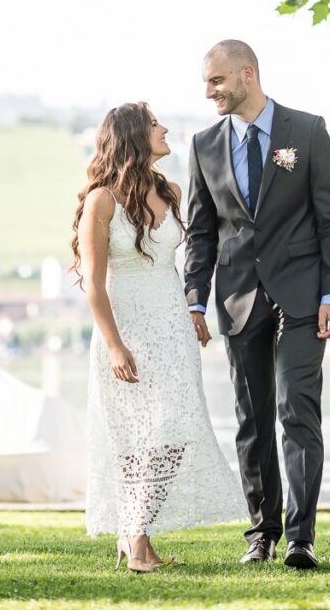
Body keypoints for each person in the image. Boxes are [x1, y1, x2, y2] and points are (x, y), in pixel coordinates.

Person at [185, 41, 330, 569]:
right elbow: (202, 233)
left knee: (296, 411)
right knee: (252, 420)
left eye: (216, 81)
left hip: (303, 297)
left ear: (247, 74)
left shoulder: (307, 131)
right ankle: (262, 533)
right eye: (207, 83)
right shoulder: (203, 145)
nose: (208, 91)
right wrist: (194, 299)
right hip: (236, 300)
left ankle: (301, 538)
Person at [71, 101, 245, 573]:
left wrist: (193, 308)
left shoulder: (169, 190)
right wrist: (113, 345)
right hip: (126, 330)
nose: (164, 128)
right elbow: (93, 283)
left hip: (171, 327)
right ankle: (137, 541)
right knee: (135, 437)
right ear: (132, 135)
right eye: (153, 124)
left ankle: (135, 534)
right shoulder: (101, 201)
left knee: (172, 430)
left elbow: (177, 262)